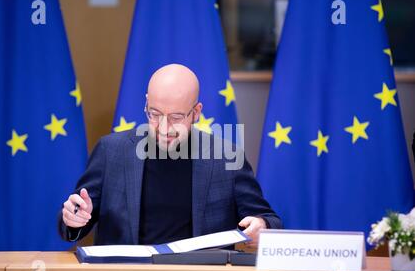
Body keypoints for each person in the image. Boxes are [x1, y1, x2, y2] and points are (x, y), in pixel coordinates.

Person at [59, 64, 282, 248]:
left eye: (176, 117)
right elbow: (72, 222)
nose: (164, 128)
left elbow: (268, 219)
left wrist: (261, 225)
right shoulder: (111, 151)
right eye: (154, 114)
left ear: (196, 113)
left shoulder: (226, 158)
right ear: (146, 103)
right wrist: (74, 218)